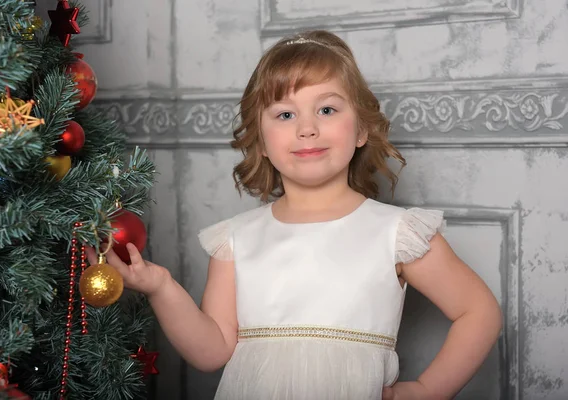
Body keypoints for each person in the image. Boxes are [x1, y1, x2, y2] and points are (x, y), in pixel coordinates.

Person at [87, 30, 503, 400]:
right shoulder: (236, 239)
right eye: (285, 114)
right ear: (262, 141)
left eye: (326, 110)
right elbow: (211, 352)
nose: (307, 128)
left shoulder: (396, 233)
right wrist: (161, 287)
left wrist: (428, 390)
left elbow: (479, 312)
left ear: (361, 130)